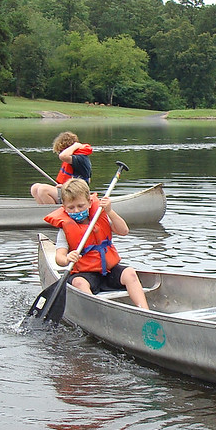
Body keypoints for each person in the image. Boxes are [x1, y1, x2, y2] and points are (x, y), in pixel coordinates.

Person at [44, 178, 148, 309]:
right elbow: (59, 258)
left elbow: (124, 231)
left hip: (108, 271)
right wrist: (67, 259)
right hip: (85, 274)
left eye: (80, 206)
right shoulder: (65, 230)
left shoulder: (100, 216)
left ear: (89, 202)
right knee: (79, 282)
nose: (76, 211)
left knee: (130, 273)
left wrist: (110, 211)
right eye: (71, 207)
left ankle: (144, 310)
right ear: (64, 208)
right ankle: (97, 312)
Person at [30, 131, 93, 204]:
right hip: (68, 190)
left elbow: (63, 156)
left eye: (61, 151)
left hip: (77, 194)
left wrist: (76, 145)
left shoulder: (80, 158)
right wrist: (64, 186)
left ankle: (54, 213)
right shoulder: (73, 159)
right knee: (35, 187)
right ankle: (44, 211)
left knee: (43, 189)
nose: (60, 153)